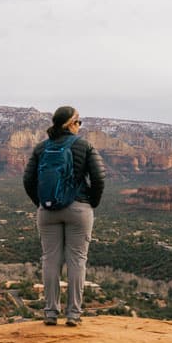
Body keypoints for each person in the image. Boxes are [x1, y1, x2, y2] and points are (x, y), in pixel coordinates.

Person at [23, 106, 106, 326]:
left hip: (47, 211)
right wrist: (91, 203)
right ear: (70, 123)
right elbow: (99, 179)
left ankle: (50, 313)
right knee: (77, 260)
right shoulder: (85, 146)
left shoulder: (41, 148)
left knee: (50, 260)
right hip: (79, 209)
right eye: (79, 122)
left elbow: (27, 180)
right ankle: (73, 315)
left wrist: (42, 204)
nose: (80, 126)